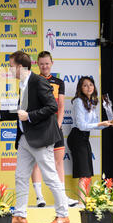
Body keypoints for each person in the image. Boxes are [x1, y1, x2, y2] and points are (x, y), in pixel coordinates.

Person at [0, 51, 70, 223]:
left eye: (11, 66)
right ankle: (20, 215)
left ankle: (63, 215)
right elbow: (21, 113)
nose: (9, 70)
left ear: (19, 67)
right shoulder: (23, 84)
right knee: (20, 176)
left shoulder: (39, 81)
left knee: (50, 177)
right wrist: (0, 114)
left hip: (41, 138)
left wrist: (30, 116)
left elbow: (52, 107)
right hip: (26, 137)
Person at [31, 51, 78, 208]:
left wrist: (57, 125)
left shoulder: (59, 82)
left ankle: (62, 197)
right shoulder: (32, 81)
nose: (44, 66)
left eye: (47, 63)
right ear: (37, 64)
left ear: (51, 63)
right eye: (42, 63)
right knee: (37, 161)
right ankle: (39, 197)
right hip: (38, 128)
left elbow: (61, 106)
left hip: (54, 127)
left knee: (59, 162)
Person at [67, 76, 113, 204]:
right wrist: (101, 124)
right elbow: (81, 125)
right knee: (84, 173)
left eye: (91, 84)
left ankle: (85, 202)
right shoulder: (78, 101)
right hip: (77, 137)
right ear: (80, 88)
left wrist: (108, 124)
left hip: (84, 138)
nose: (89, 87)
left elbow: (96, 125)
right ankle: (81, 203)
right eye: (85, 85)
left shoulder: (92, 102)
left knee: (88, 173)